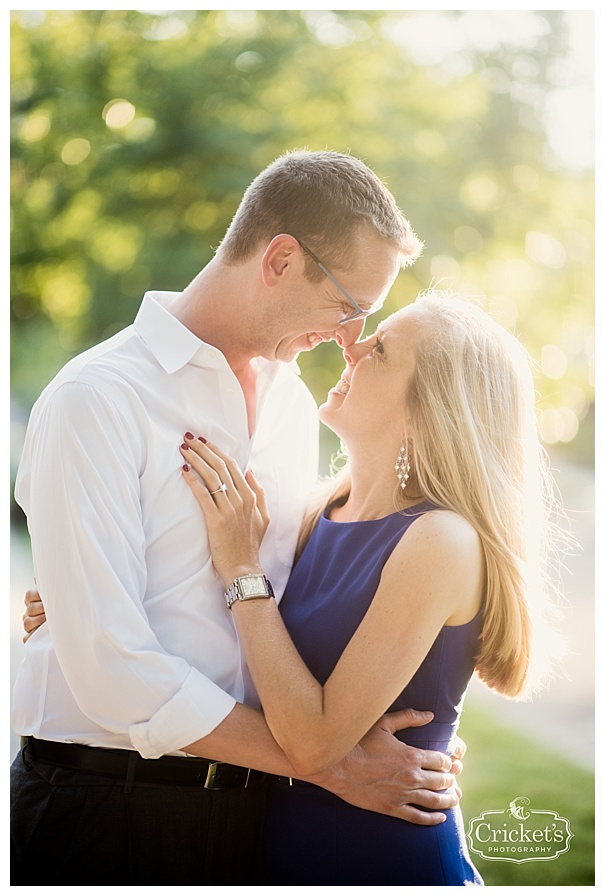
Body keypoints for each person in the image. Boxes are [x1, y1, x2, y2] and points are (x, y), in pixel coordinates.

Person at [11, 150, 464, 884]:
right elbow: (108, 667)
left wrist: (411, 730)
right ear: (281, 259)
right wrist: (328, 764)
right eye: (348, 305)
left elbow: (299, 600)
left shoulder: (292, 407)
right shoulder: (96, 398)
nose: (349, 338)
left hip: (255, 820)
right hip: (104, 810)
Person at [176, 292, 561, 883]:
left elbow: (311, 743)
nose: (350, 345)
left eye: (379, 349)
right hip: (277, 853)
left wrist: (240, 569)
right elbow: (249, 657)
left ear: (426, 411)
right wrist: (89, 606)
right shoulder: (318, 512)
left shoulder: (441, 540)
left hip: (383, 862)